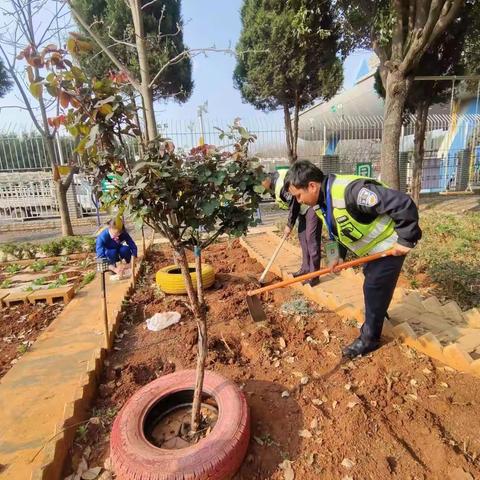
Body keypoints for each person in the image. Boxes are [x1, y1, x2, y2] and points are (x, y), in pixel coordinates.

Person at [285, 160, 422, 358]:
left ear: (312, 186)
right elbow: (335, 231)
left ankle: (369, 338)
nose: (298, 201)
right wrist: (336, 256)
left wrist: (406, 238)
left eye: (299, 195)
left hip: (390, 245)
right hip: (373, 249)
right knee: (372, 280)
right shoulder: (322, 201)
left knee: (373, 286)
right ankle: (379, 310)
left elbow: (402, 203)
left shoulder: (352, 192)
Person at [262, 167, 322, 286]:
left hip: (311, 206)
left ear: (266, 179)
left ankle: (314, 275)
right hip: (303, 209)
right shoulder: (273, 184)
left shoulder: (280, 185)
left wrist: (289, 225)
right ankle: (305, 269)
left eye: (261, 183)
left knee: (311, 239)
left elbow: (295, 203)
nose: (261, 186)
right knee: (303, 238)